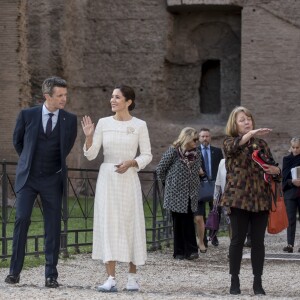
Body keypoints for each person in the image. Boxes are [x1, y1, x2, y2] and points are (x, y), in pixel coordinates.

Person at [5, 76, 77, 288]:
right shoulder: (27, 115)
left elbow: (67, 146)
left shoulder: (69, 120)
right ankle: (14, 272)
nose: (64, 99)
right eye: (60, 95)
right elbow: (18, 142)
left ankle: (51, 275)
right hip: (29, 178)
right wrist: (29, 162)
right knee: (22, 220)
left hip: (53, 179)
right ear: (47, 96)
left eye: (65, 95)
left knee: (52, 226)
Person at [81, 85, 152, 293]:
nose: (112, 100)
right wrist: (88, 136)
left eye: (117, 97)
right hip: (107, 178)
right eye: (112, 97)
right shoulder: (103, 123)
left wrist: (132, 162)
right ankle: (110, 278)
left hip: (129, 178)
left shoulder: (140, 125)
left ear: (128, 101)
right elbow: (91, 155)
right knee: (108, 223)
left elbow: (147, 155)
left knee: (131, 223)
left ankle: (132, 277)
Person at [220, 106, 281, 295]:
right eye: (242, 120)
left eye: (249, 119)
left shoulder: (261, 144)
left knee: (258, 242)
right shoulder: (229, 142)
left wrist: (276, 171)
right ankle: (234, 280)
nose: (247, 122)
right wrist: (251, 133)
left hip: (260, 199)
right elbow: (234, 147)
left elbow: (273, 167)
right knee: (237, 240)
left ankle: (258, 282)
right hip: (238, 199)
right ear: (234, 124)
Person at [156, 127, 202, 260]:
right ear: (186, 138)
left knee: (188, 220)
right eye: (194, 139)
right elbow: (160, 169)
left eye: (197, 139)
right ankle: (179, 252)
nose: (196, 142)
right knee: (178, 222)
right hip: (175, 194)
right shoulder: (173, 151)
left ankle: (192, 251)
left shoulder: (197, 153)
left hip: (190, 193)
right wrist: (168, 184)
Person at [195, 128, 223, 248]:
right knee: (201, 213)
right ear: (199, 138)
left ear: (210, 137)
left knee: (216, 211)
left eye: (207, 136)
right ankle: (203, 237)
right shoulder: (194, 151)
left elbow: (222, 166)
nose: (205, 138)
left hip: (215, 184)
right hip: (200, 185)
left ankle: (213, 235)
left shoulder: (217, 151)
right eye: (202, 136)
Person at [282, 137, 300, 253]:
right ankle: (290, 244)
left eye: (297, 147)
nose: (295, 150)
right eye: (293, 147)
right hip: (290, 192)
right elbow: (284, 177)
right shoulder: (286, 159)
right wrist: (292, 181)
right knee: (290, 219)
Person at [213, 159, 231, 241]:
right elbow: (218, 182)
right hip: (226, 198)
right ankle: (233, 246)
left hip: (239, 198)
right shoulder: (222, 162)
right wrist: (215, 197)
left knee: (237, 224)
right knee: (230, 223)